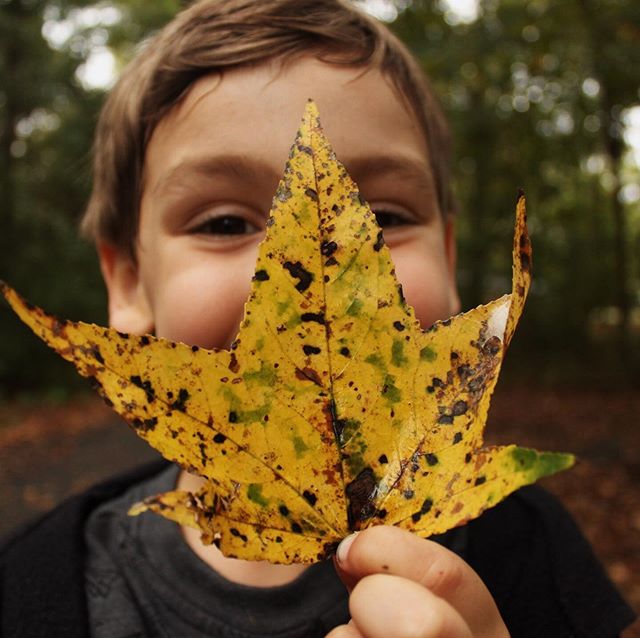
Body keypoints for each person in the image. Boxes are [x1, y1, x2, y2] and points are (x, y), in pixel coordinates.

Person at [0, 1, 635, 636]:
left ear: (448, 256)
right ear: (128, 281)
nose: (303, 274)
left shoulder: (536, 557)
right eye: (223, 224)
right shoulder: (34, 592)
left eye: (381, 216)